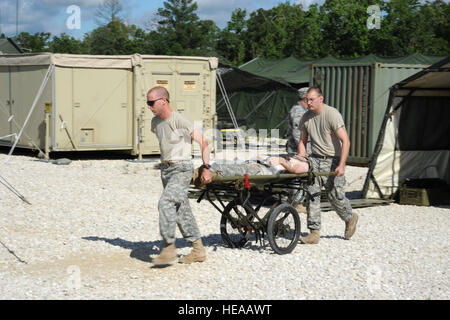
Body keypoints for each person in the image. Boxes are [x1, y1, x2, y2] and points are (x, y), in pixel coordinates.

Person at [148, 86, 211, 266]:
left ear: (163, 101)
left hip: (182, 169)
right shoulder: (155, 123)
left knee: (166, 202)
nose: (149, 106)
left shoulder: (180, 120)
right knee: (180, 209)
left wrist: (205, 167)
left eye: (151, 102)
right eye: (148, 103)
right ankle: (198, 250)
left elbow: (203, 141)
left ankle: (168, 247)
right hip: (166, 170)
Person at [297, 87, 358, 244]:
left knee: (334, 196)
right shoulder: (306, 117)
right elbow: (302, 141)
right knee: (312, 194)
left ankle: (350, 217)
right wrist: (302, 157)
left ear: (321, 99)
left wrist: (342, 165)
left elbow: (346, 141)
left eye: (311, 99)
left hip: (333, 160)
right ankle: (314, 233)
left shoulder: (332, 114)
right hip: (315, 159)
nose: (308, 102)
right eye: (306, 100)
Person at [191, 155, 310, 187]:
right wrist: (262, 158)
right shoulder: (298, 157)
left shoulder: (304, 163)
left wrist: (282, 160)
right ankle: (195, 175)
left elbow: (299, 171)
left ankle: (194, 177)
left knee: (228, 169)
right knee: (226, 164)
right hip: (260, 166)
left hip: (262, 171)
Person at [286, 87, 311, 155]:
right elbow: (297, 133)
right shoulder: (298, 111)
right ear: (306, 98)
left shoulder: (305, 110)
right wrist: (304, 151)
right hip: (298, 150)